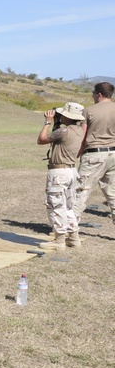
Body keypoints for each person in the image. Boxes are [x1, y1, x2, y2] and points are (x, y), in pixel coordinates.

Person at [37, 102, 86, 249]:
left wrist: (48, 122)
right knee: (68, 206)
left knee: (56, 205)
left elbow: (41, 140)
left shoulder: (64, 132)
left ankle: (59, 240)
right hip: (71, 170)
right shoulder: (79, 131)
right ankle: (73, 237)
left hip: (59, 172)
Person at [72, 82, 115, 237]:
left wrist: (76, 153)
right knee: (112, 193)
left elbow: (82, 136)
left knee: (80, 191)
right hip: (113, 154)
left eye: (93, 93)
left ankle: (70, 229)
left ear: (99, 94)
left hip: (94, 154)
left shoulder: (88, 111)